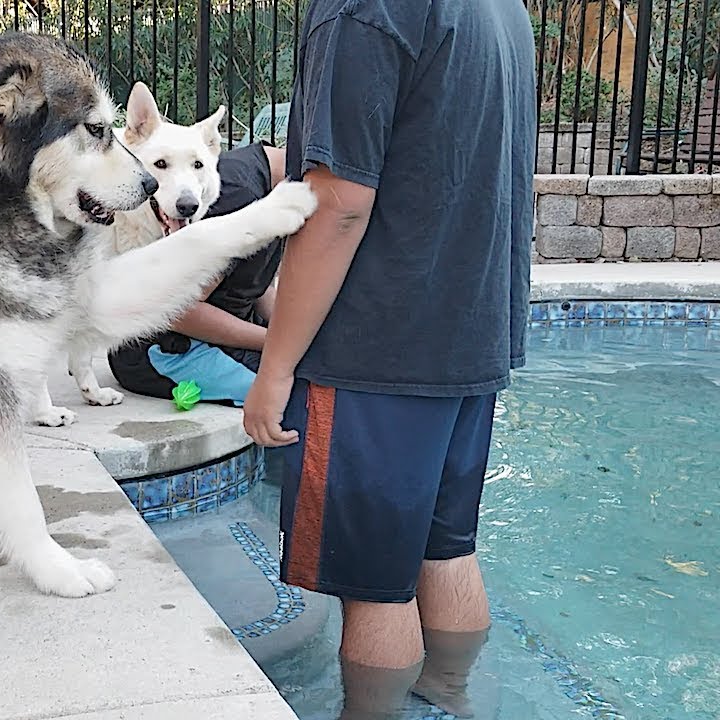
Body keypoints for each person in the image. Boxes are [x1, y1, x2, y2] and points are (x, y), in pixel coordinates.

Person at [240, 1, 537, 718]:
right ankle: (449, 693)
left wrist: (276, 366)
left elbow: (339, 200)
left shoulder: (361, 8)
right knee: (446, 544)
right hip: (470, 330)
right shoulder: (501, 9)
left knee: (373, 583)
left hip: (378, 345)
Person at [107, 140, 288, 406]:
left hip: (217, 338)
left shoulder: (268, 185)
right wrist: (277, 342)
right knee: (294, 392)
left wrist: (290, 332)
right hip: (164, 349)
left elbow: (255, 284)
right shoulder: (236, 196)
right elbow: (181, 311)